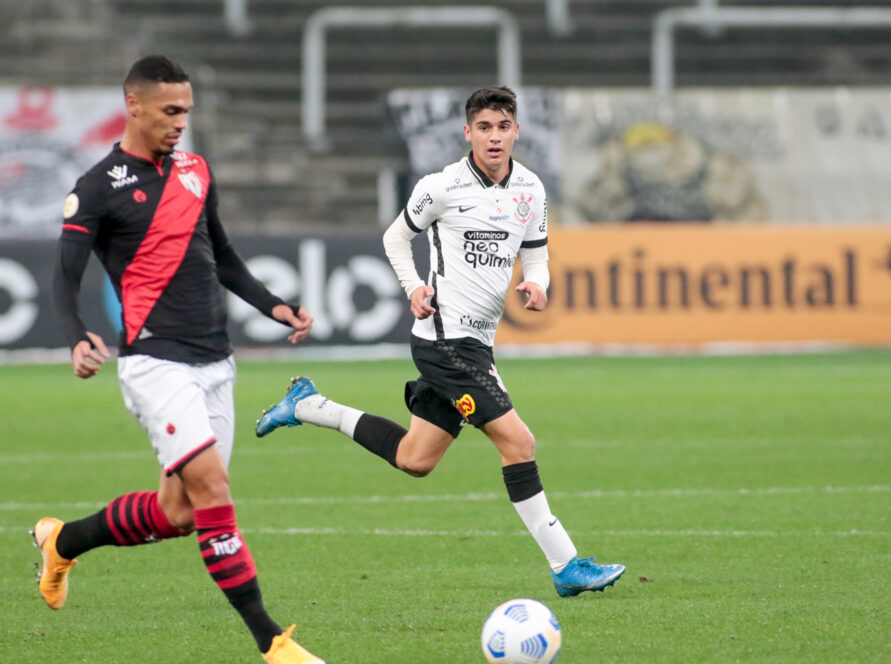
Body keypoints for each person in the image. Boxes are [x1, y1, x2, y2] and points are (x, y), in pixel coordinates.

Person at [255, 86, 625, 599]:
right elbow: (394, 238)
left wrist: (538, 284)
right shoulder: (442, 186)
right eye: (484, 128)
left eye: (503, 127)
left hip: (477, 344)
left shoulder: (531, 191)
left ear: (516, 131)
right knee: (519, 443)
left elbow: (536, 253)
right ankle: (565, 564)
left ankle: (309, 405)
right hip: (444, 342)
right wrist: (414, 288)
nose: (494, 137)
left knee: (415, 458)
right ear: (467, 133)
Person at [35, 55, 325, 664]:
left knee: (181, 514)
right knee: (215, 493)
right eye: (170, 111)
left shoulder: (195, 171)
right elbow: (64, 274)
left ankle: (62, 543)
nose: (181, 123)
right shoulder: (97, 185)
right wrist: (75, 334)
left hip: (215, 362)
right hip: (155, 363)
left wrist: (274, 307)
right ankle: (271, 640)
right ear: (132, 105)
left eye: (187, 111)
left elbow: (220, 253)